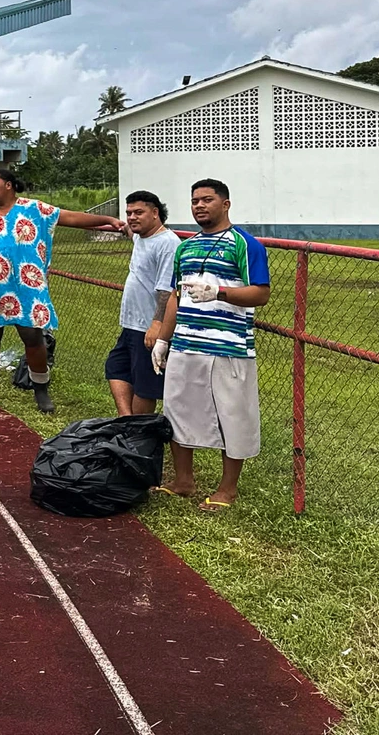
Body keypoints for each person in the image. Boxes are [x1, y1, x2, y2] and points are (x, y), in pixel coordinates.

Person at [0, 169, 125, 413]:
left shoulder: (35, 209)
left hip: (27, 287)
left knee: (32, 337)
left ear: (8, 185)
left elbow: (71, 218)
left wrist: (109, 221)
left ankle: (41, 390)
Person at [152, 179, 270, 511]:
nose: (199, 206)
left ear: (226, 204)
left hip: (228, 346)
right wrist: (163, 338)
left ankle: (227, 489)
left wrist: (219, 293)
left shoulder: (244, 244)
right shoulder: (185, 247)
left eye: (207, 200)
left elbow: (261, 293)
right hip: (186, 343)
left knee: (231, 416)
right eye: (194, 201)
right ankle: (184, 480)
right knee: (177, 410)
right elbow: (176, 296)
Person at [105, 190, 180, 416]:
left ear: (155, 213)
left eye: (139, 212)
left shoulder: (167, 243)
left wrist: (157, 324)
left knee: (145, 386)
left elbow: (168, 290)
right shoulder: (140, 236)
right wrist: (116, 223)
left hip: (148, 326)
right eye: (129, 213)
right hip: (131, 324)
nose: (132, 217)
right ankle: (127, 421)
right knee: (116, 367)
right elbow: (130, 230)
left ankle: (139, 434)